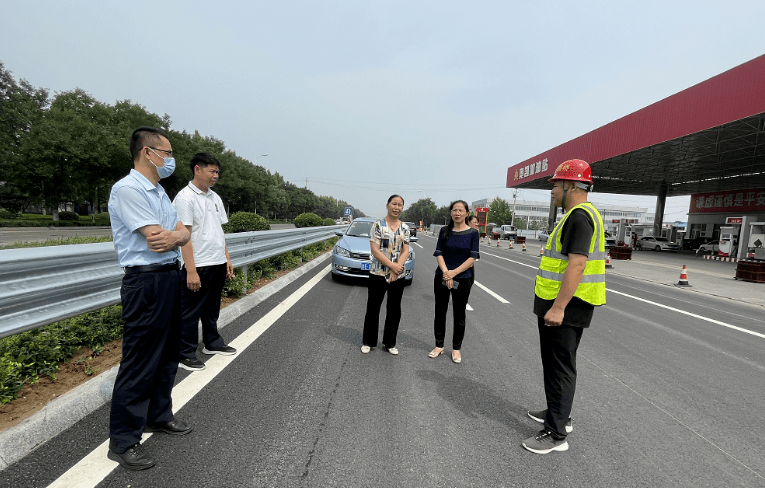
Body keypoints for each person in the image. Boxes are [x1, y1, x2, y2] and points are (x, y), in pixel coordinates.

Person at [106, 127, 192, 470]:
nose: (170, 160)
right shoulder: (128, 190)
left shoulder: (158, 192)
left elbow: (183, 232)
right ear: (147, 152)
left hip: (169, 277)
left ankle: (158, 415)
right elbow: (156, 238)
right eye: (167, 153)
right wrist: (176, 236)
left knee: (168, 354)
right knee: (140, 360)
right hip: (146, 283)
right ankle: (124, 440)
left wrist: (177, 235)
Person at [522, 159, 606, 455]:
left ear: (570, 185)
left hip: (565, 307)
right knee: (559, 364)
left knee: (559, 367)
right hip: (570, 304)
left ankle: (556, 434)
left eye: (555, 185)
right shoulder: (580, 214)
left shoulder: (579, 217)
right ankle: (558, 413)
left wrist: (558, 307)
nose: (552, 192)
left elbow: (578, 263)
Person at [172, 152, 237, 372]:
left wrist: (226, 259)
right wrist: (191, 270)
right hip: (198, 265)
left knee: (211, 309)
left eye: (217, 172)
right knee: (190, 312)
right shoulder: (185, 198)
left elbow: (218, 231)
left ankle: (212, 343)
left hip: (216, 262)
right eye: (212, 171)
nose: (216, 175)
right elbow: (183, 237)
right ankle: (185, 353)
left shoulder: (214, 197)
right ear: (197, 169)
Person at [429, 200, 479, 364]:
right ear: (451, 212)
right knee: (440, 311)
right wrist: (446, 273)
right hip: (442, 276)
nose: (457, 213)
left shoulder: (473, 233)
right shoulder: (445, 231)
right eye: (454, 210)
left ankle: (456, 349)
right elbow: (439, 252)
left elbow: (472, 257)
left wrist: (453, 274)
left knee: (459, 314)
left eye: (460, 210)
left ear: (466, 213)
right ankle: (439, 345)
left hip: (463, 278)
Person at [361, 195, 411, 355]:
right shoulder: (377, 225)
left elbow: (406, 250)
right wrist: (392, 267)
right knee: (373, 307)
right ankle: (368, 341)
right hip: (378, 273)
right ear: (387, 205)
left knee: (394, 309)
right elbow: (375, 250)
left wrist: (397, 269)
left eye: (400, 205)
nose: (397, 207)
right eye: (394, 204)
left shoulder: (405, 228)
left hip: (398, 276)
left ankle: (389, 343)